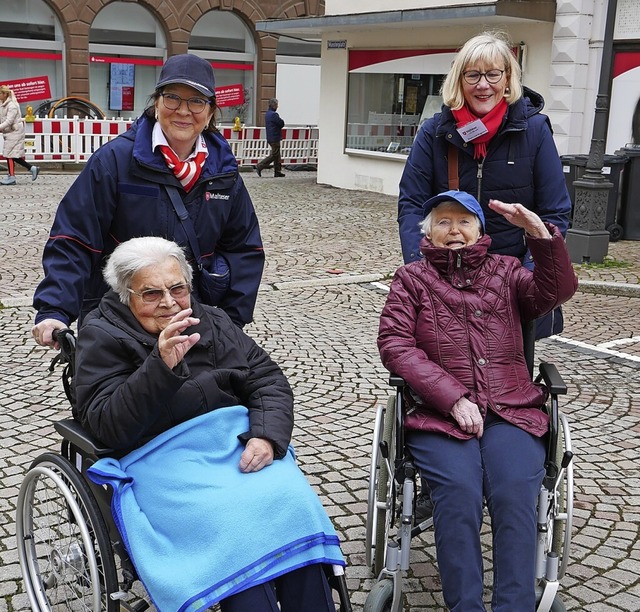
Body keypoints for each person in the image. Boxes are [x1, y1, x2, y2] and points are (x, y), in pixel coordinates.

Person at [74, 236, 343, 612]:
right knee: (229, 524)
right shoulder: (101, 336)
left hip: (232, 441)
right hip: (160, 458)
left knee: (290, 502)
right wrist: (160, 367)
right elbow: (106, 425)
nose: (168, 303)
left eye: (177, 288)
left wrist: (265, 435)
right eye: (151, 294)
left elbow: (267, 380)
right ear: (126, 295)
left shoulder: (212, 319)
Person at [397, 30, 573, 521]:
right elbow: (412, 201)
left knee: (508, 381)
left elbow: (556, 210)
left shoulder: (532, 130)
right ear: (459, 79)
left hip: (511, 286)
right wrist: (420, 268)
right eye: (473, 74)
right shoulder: (436, 132)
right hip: (442, 281)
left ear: (509, 78)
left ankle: (508, 476)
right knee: (440, 368)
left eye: (494, 73)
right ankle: (445, 477)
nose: (484, 83)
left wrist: (534, 276)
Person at [378, 190, 578, 611]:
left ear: (480, 230)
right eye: (444, 222)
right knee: (459, 491)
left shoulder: (507, 272)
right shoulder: (411, 279)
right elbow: (395, 344)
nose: (455, 230)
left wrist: (540, 235)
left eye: (464, 221)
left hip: (511, 411)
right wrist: (451, 398)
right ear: (428, 233)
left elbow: (556, 291)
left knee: (513, 491)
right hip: (440, 416)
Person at [31, 53, 264, 349]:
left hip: (193, 320)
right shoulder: (114, 162)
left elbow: (245, 249)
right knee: (122, 396)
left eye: (196, 101)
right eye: (172, 98)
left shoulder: (224, 172)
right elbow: (74, 238)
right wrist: (54, 309)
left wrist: (231, 322)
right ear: (156, 103)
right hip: (118, 319)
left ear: (210, 112)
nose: (183, 111)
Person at [0, 85, 39, 185]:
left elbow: (9, 121)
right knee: (13, 155)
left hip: (15, 132)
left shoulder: (12, 105)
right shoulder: (2, 104)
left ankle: (12, 177)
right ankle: (32, 168)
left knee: (9, 154)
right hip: (9, 132)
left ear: (5, 94)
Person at [255, 98, 285, 178]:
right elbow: (281, 123)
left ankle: (277, 171)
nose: (277, 106)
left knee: (277, 155)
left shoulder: (268, 114)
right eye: (276, 105)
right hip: (275, 136)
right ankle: (260, 166)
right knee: (275, 154)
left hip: (271, 136)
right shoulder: (274, 115)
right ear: (273, 105)